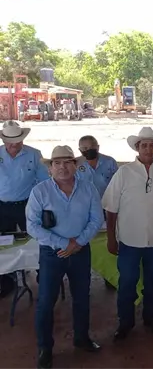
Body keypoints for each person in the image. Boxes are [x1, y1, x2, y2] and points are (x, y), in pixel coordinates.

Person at [26, 146, 104, 369]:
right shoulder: (39, 192)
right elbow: (32, 226)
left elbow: (96, 219)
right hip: (52, 253)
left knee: (82, 298)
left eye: (68, 162)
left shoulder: (88, 188)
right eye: (57, 163)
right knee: (46, 302)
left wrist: (77, 243)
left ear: (75, 166)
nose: (63, 167)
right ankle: (45, 348)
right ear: (50, 168)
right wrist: (65, 244)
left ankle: (82, 338)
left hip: (80, 251)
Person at [102, 127, 153, 340]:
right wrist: (111, 238)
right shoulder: (124, 173)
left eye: (152, 145)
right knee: (127, 284)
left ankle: (151, 319)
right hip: (129, 241)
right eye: (144, 145)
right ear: (137, 148)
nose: (148, 149)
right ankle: (125, 323)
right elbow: (111, 208)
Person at [0, 120, 49, 298]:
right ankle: (6, 279)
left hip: (27, 205)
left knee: (37, 240)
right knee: (4, 244)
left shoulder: (34, 154)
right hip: (2, 207)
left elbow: (44, 181)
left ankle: (44, 276)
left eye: (18, 142)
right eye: (11, 143)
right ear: (4, 141)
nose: (15, 146)